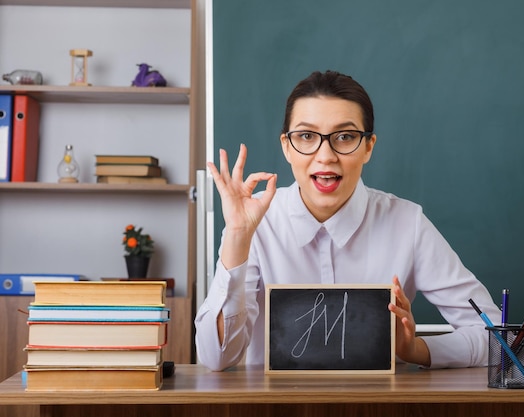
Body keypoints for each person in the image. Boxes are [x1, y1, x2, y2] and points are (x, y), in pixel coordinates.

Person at [195, 70, 501, 371]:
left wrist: (416, 349)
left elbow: (503, 340)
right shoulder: (256, 225)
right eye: (306, 136)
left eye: (344, 137)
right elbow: (215, 358)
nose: (325, 155)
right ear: (287, 147)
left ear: (368, 146)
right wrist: (237, 236)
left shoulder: (407, 223)